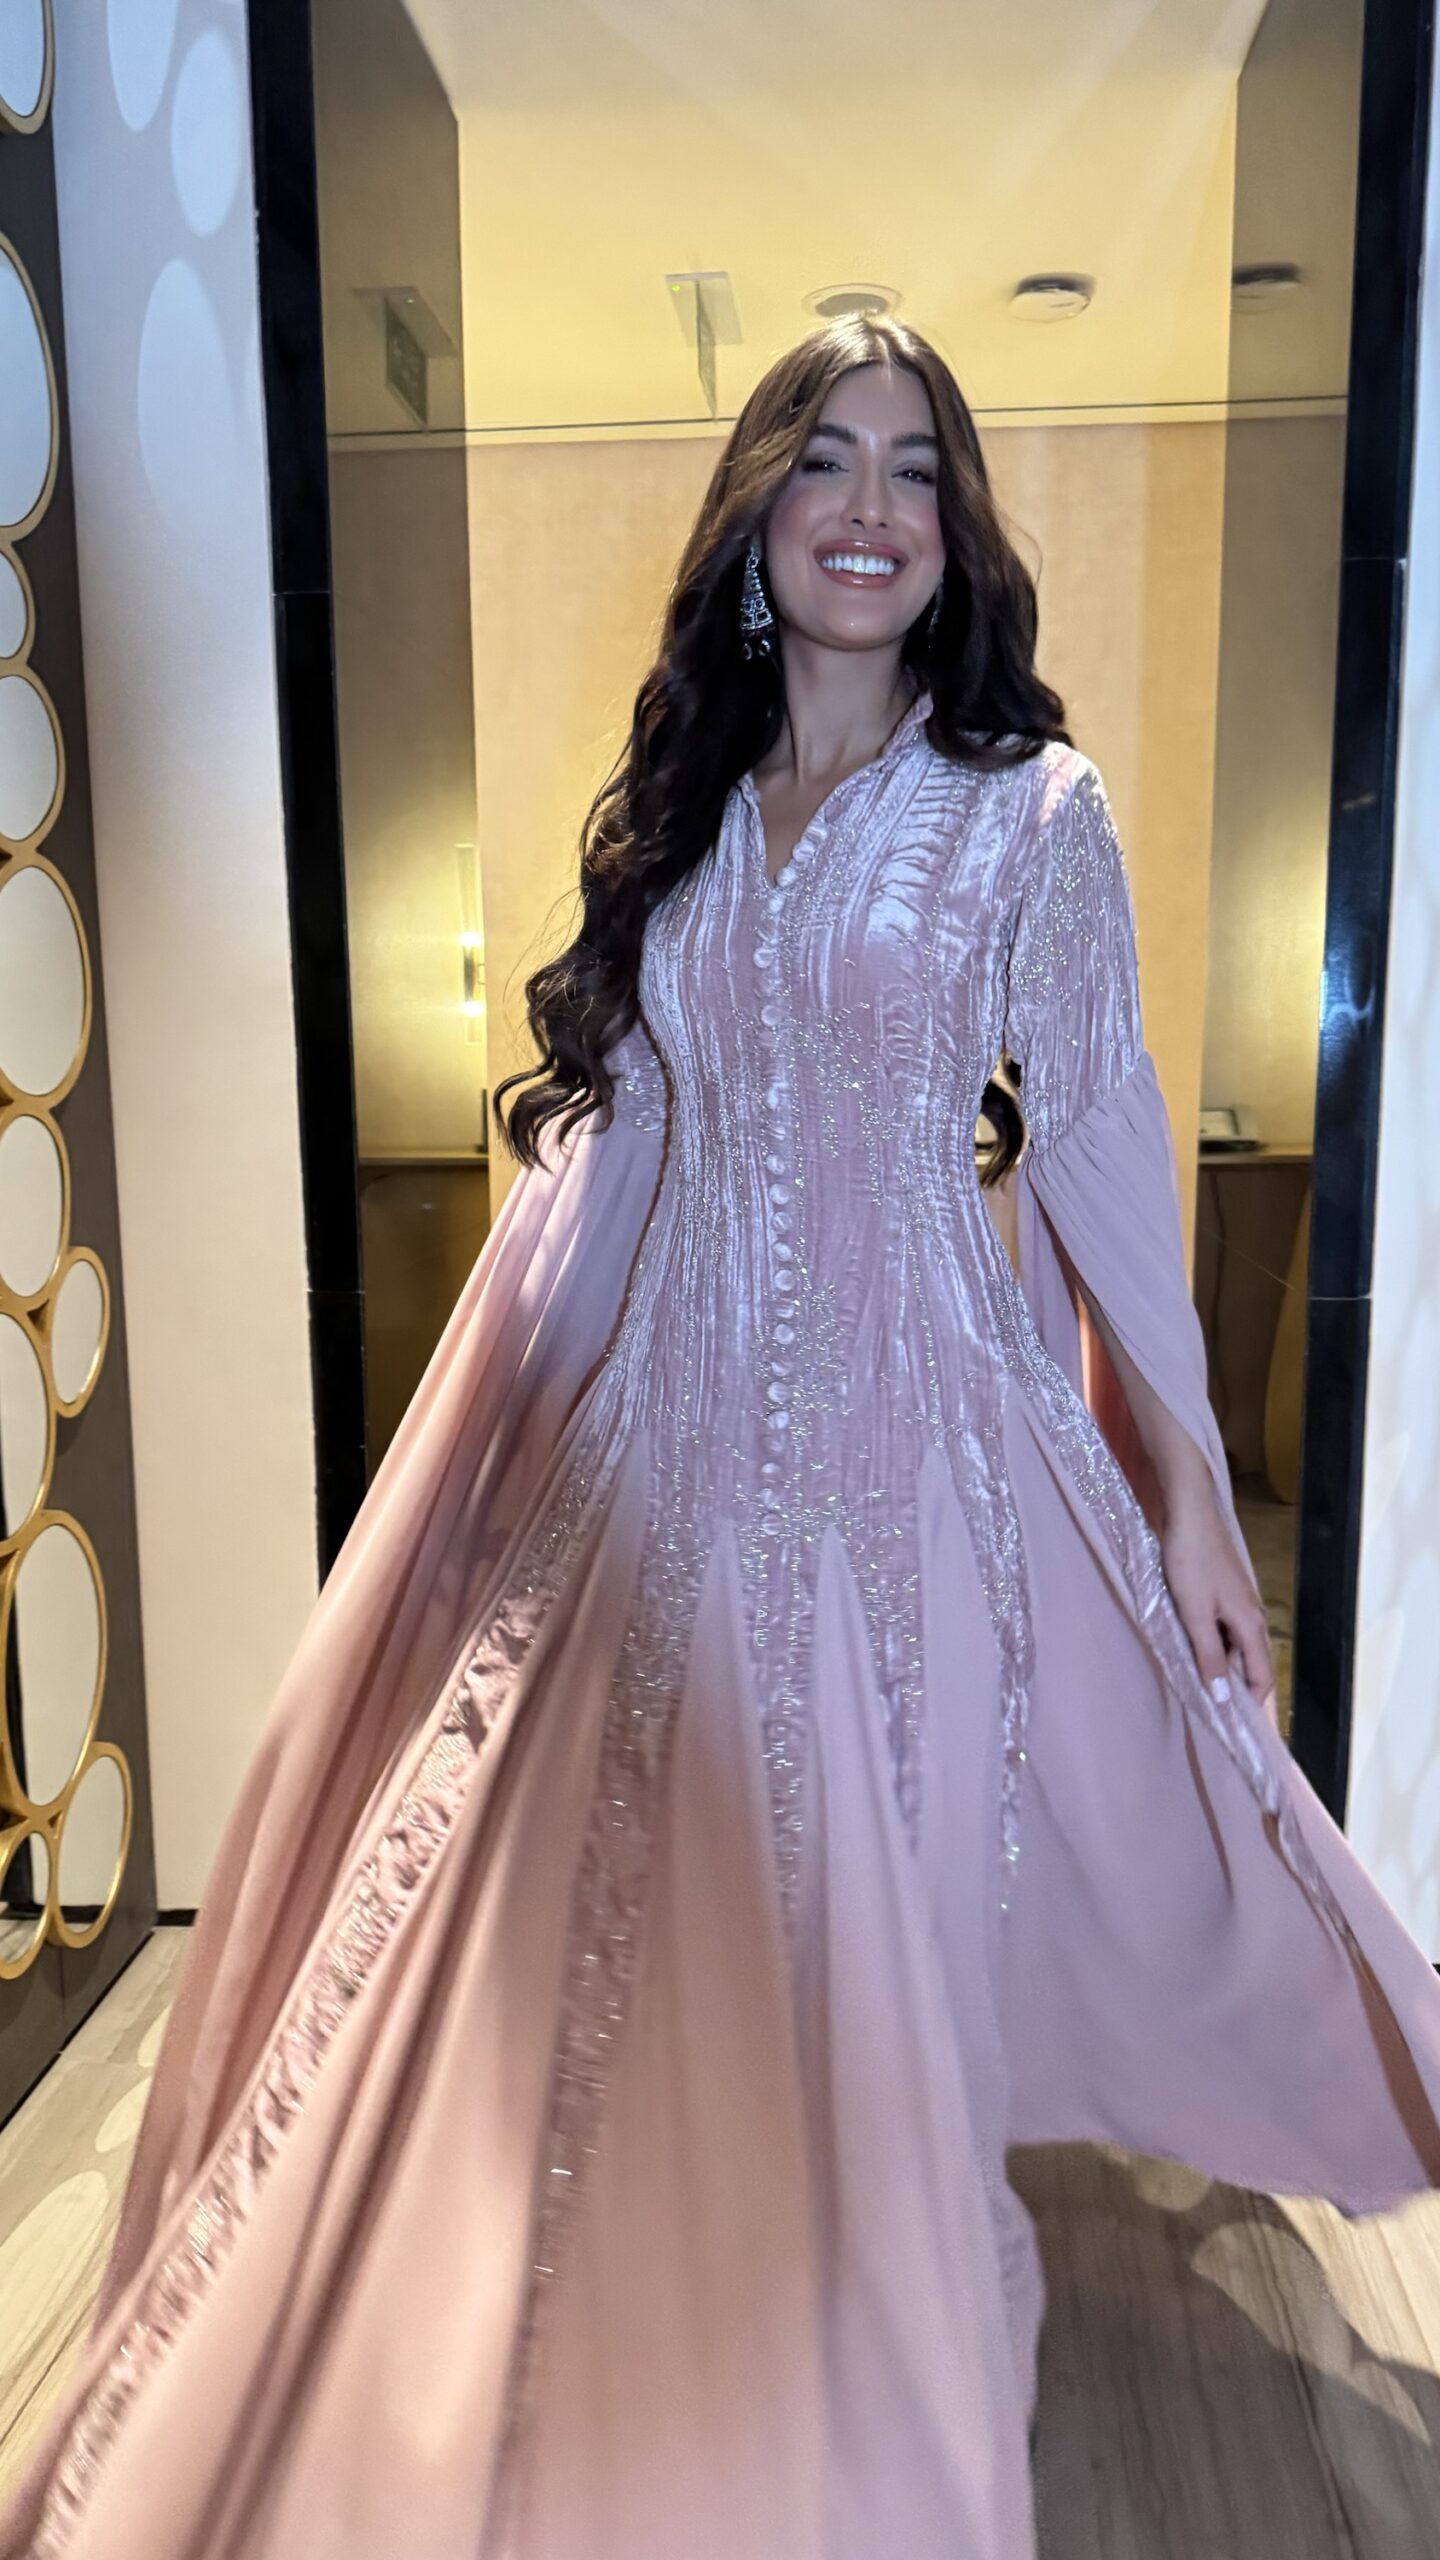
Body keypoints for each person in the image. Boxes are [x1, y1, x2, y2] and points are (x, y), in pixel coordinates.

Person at [7, 315, 1440, 2560]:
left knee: (873, 1934)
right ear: (761, 516)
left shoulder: (1030, 812)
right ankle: (626, 2354)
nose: (872, 508)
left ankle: (842, 2379)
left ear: (954, 530)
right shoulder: (686, 809)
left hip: (918, 1457)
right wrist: (504, 1421)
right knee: (595, 1928)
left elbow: (1094, 1146)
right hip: (656, 1458)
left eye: (916, 470)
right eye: (826, 461)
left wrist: (1185, 1489)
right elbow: (627, 1142)